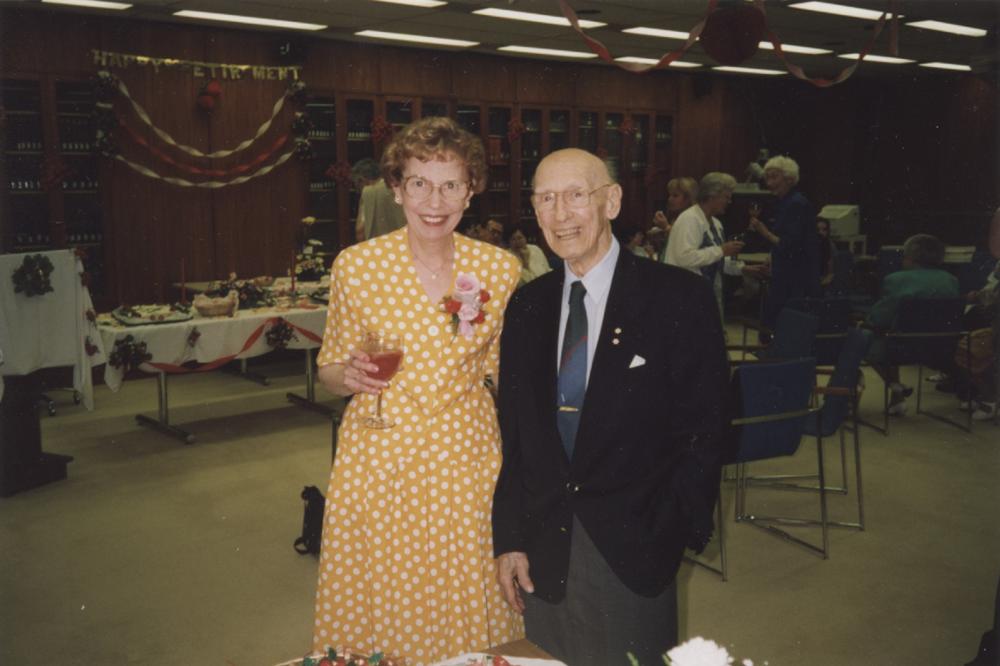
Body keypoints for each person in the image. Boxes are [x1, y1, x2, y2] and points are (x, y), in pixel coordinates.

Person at [493, 148, 729, 666]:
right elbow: (516, 438)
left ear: (613, 201)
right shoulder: (527, 307)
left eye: (577, 195)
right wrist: (508, 537)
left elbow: (707, 429)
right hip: (544, 546)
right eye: (546, 199)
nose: (560, 214)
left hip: (636, 543)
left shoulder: (678, 298)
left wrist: (675, 527)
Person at [313, 117, 523, 664]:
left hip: (466, 457)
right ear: (397, 187)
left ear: (472, 189)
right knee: (386, 588)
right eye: (420, 183)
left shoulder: (499, 270)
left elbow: (506, 375)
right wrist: (348, 376)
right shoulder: (356, 267)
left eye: (452, 184)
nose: (436, 200)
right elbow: (329, 368)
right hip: (380, 455)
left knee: (464, 588)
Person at [865, 234, 960, 415]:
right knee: (892, 336)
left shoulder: (896, 280)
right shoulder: (951, 280)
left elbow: (878, 319)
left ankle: (896, 388)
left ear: (910, 257)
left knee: (866, 340)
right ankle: (897, 397)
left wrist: (865, 322)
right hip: (942, 349)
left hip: (902, 349)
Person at [663, 172, 765, 319]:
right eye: (726, 197)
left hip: (705, 294)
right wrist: (721, 250)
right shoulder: (690, 219)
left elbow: (716, 260)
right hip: (684, 294)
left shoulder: (716, 224)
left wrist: (742, 268)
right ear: (712, 196)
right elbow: (684, 257)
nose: (729, 201)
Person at [748, 155, 821, 328]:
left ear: (789, 179)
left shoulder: (795, 204)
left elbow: (789, 245)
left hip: (796, 276)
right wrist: (772, 257)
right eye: (767, 178)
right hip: (788, 272)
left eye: (774, 177)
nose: (769, 183)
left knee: (782, 321)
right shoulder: (785, 202)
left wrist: (763, 231)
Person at [354, 157, 408, 242]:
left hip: (379, 249)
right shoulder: (399, 187)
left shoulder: (369, 192)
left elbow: (360, 232)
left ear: (362, 180)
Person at [652, 176, 698, 261]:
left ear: (688, 198)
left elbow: (686, 243)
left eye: (675, 196)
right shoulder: (676, 216)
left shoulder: (693, 217)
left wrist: (666, 227)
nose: (670, 199)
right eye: (669, 195)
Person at [817, 218, 838, 290]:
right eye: (818, 229)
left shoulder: (830, 245)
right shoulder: (807, 246)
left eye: (824, 230)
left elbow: (831, 269)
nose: (821, 232)